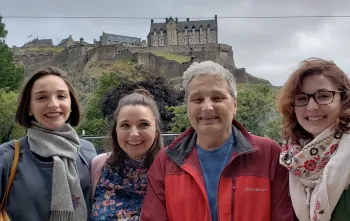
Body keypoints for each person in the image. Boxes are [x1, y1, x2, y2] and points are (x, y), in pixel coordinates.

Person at [140, 61, 294, 221]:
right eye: (197, 100)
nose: (207, 107)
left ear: (234, 105)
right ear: (187, 107)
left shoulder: (269, 154)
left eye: (217, 98)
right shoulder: (166, 162)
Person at [0, 66, 97, 220]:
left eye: (61, 96)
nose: (53, 104)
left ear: (71, 103)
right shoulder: (7, 156)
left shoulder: (88, 152)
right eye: (41, 97)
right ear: (29, 107)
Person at [278, 58, 350, 221]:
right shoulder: (289, 159)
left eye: (323, 96)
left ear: (344, 99)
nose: (311, 107)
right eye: (302, 98)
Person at [90, 89, 163, 221]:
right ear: (116, 130)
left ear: (156, 129)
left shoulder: (168, 170)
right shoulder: (98, 166)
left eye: (143, 124)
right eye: (125, 125)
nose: (134, 133)